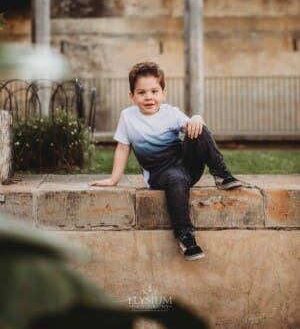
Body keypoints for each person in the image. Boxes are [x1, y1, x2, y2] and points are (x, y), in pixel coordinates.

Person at [91, 62, 242, 261]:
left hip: (186, 166)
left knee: (198, 126)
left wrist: (196, 117)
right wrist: (113, 179)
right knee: (176, 178)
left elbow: (193, 128)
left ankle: (221, 174)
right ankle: (185, 237)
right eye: (142, 92)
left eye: (154, 91)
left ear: (163, 93)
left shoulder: (171, 112)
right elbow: (123, 147)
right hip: (159, 174)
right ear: (132, 96)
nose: (149, 97)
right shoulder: (128, 117)